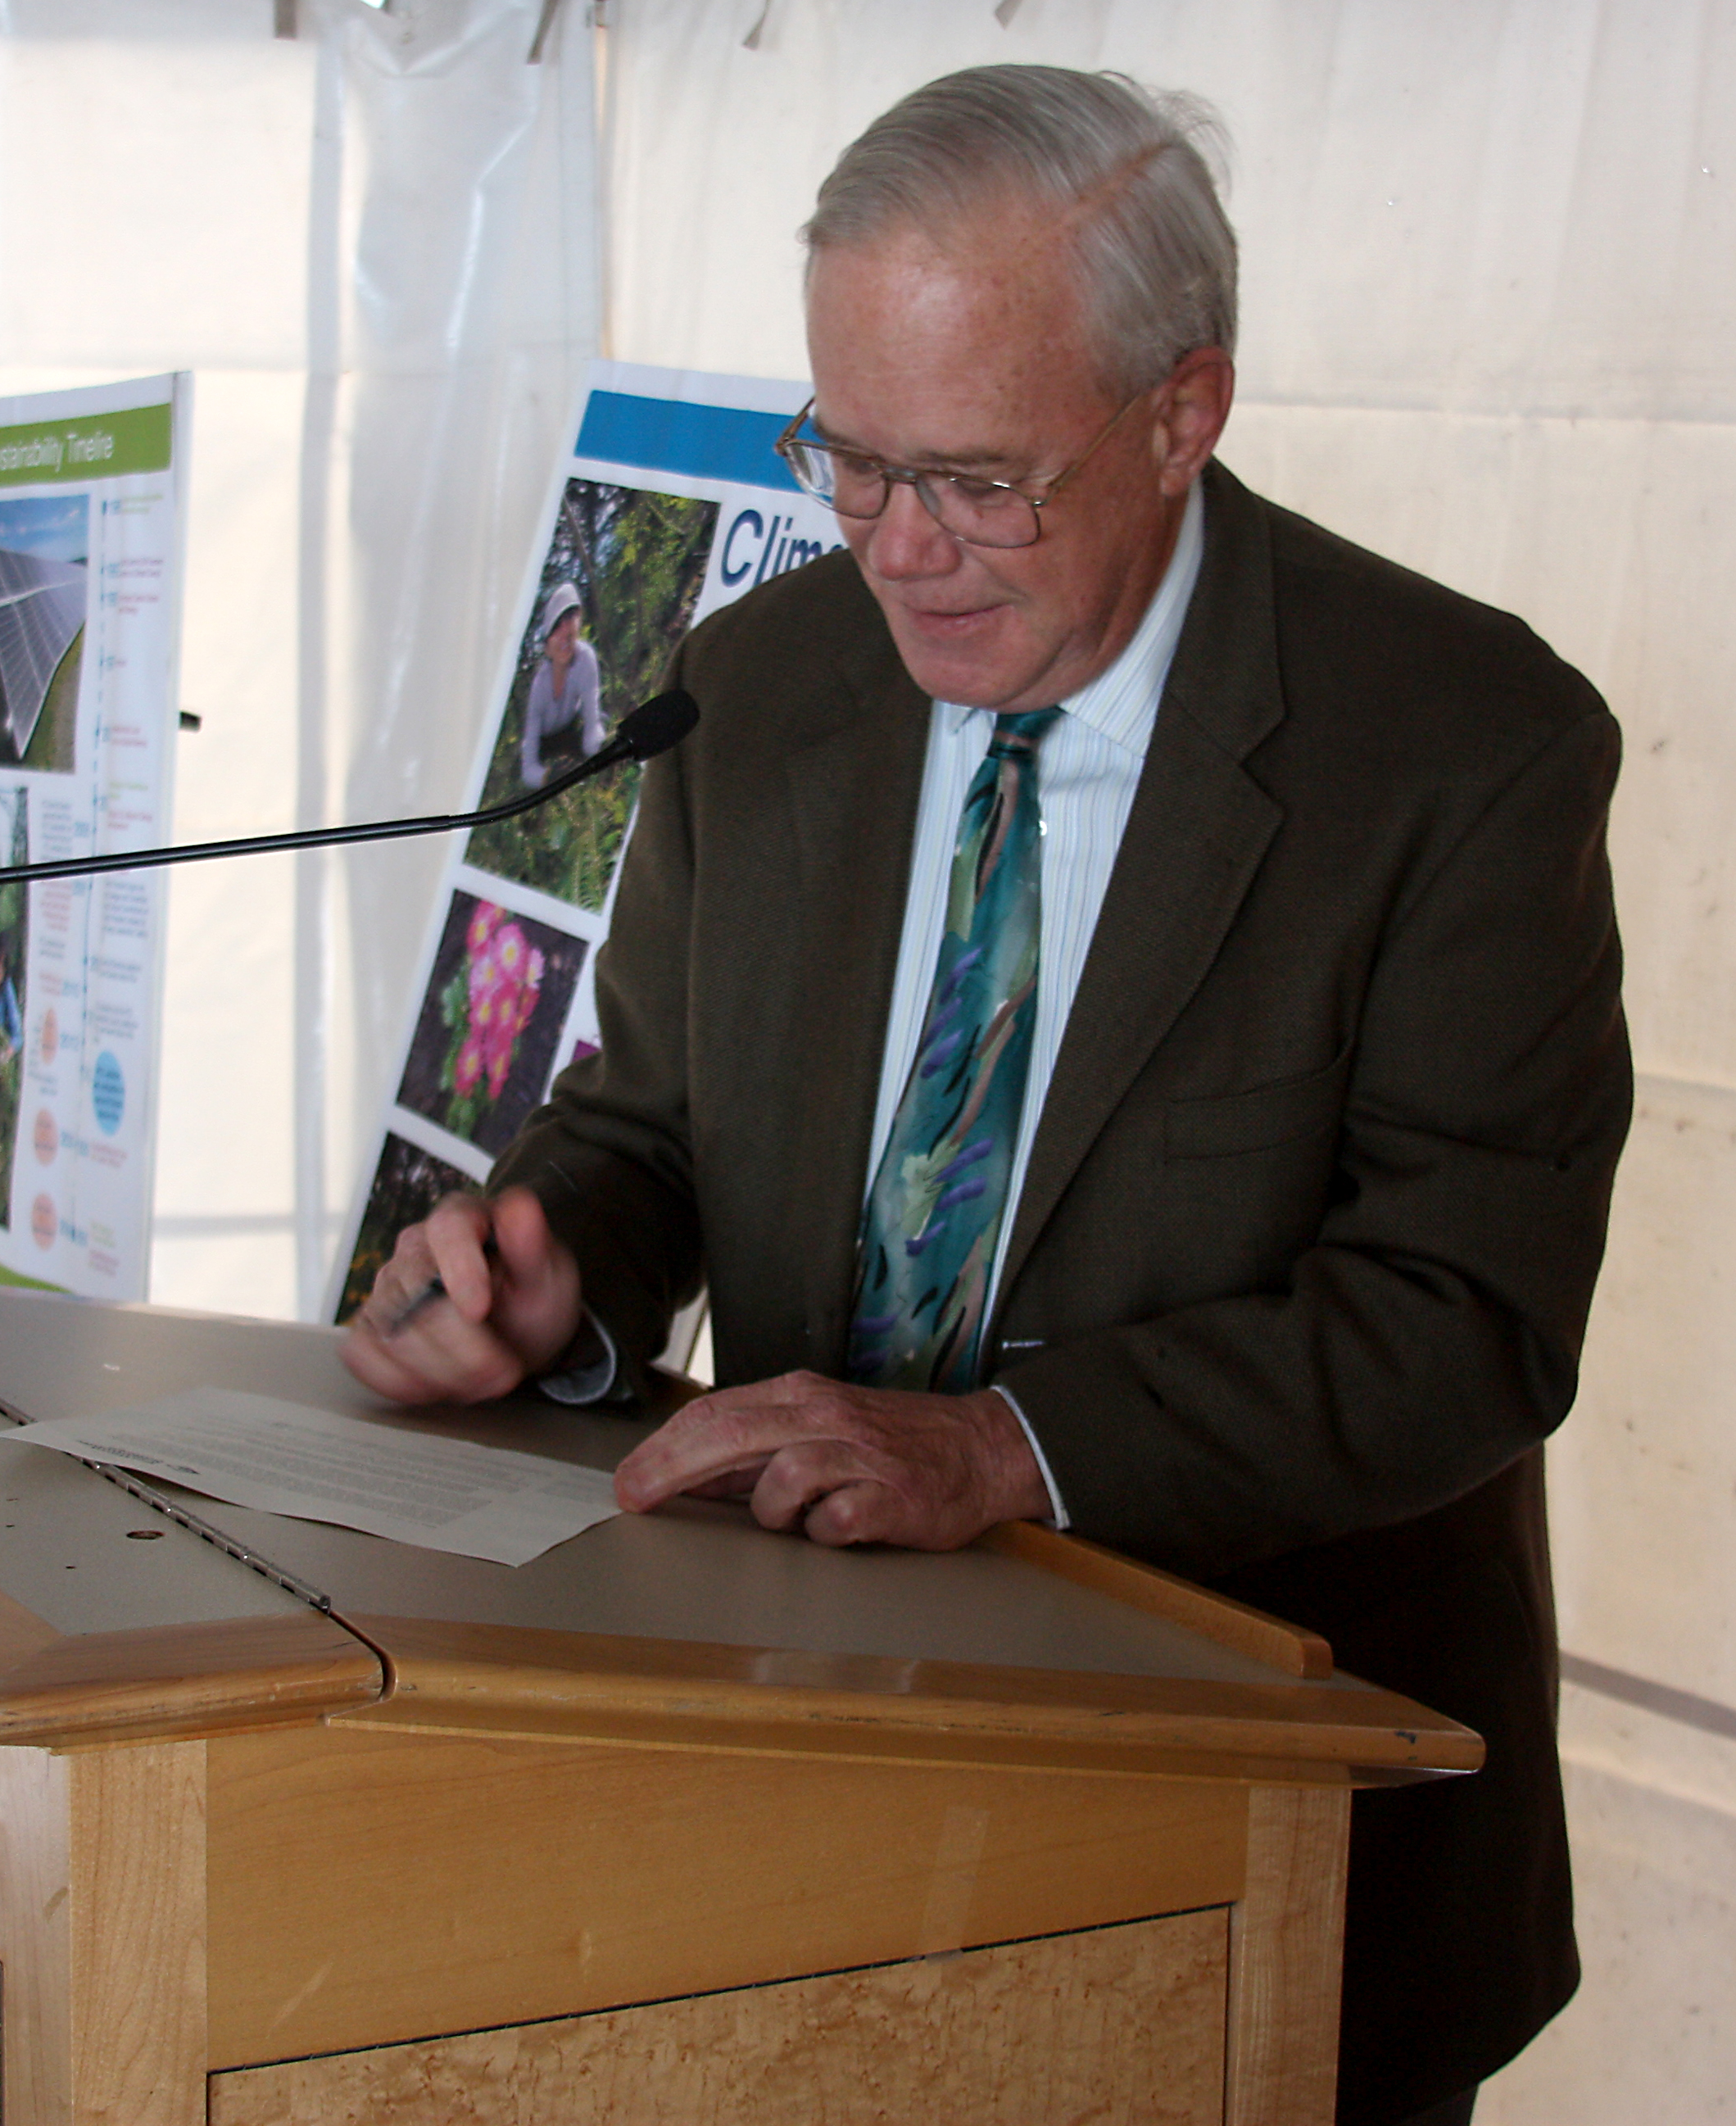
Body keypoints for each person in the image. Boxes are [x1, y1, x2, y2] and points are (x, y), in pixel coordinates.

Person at [343, 66, 1628, 2126]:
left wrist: (1006, 1446)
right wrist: (549, 1262)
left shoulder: (1458, 745)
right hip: (811, 1796)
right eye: (848, 461)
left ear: (1181, 412)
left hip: (1271, 1858)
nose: (897, 548)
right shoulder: (758, 684)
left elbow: (1463, 1313)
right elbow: (654, 1120)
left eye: (972, 479)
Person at [518, 580, 605, 788]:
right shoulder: (539, 687)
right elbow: (528, 768)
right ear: (547, 647)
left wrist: (596, 759)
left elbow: (592, 721)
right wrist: (548, 777)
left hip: (570, 732)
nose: (565, 631)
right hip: (544, 744)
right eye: (557, 626)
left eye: (570, 618)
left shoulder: (586, 658)